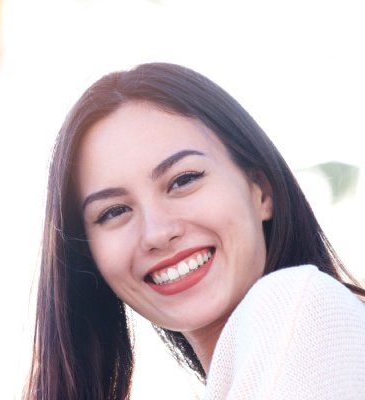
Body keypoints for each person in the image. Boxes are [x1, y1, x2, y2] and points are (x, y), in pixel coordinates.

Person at [24, 63, 365, 400]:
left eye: (183, 180)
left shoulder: (297, 305)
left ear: (261, 191)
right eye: (114, 211)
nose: (156, 233)